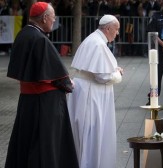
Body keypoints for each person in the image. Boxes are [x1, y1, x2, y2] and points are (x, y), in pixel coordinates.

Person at [5, 2, 79, 168]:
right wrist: (69, 84)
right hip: (46, 104)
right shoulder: (40, 39)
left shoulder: (23, 34)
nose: (54, 20)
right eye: (53, 17)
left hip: (27, 102)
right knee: (45, 146)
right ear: (44, 18)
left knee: (26, 142)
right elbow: (58, 76)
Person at [67, 15, 123, 168]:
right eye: (116, 29)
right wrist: (118, 74)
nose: (117, 33)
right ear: (108, 28)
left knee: (86, 134)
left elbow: (98, 68)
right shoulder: (98, 44)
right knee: (91, 135)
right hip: (91, 94)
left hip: (85, 90)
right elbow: (102, 76)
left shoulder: (93, 39)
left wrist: (112, 70)